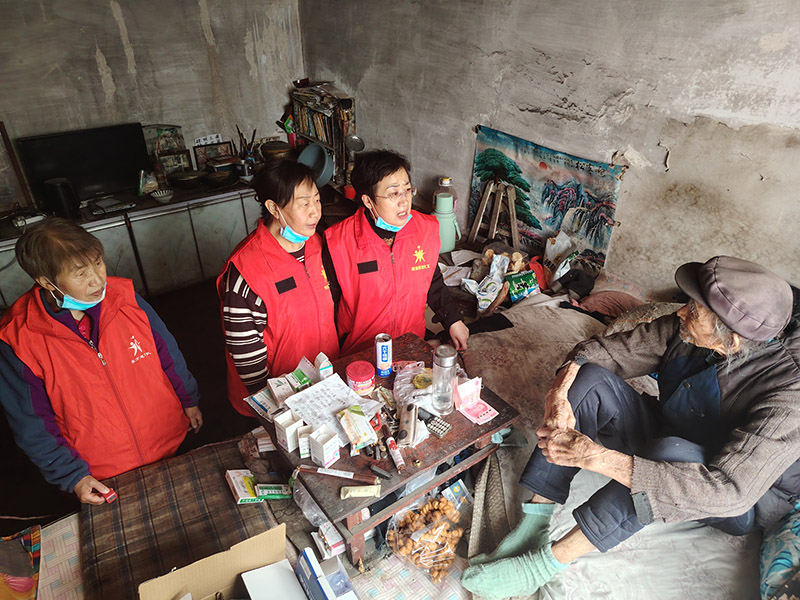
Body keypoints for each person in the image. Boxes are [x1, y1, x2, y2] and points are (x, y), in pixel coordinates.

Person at [462, 256, 800, 600]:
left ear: (733, 340)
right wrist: (559, 391)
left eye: (694, 311)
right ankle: (534, 523)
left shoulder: (790, 394)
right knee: (589, 379)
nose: (681, 313)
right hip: (677, 428)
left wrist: (597, 458)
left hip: (734, 497)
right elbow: (605, 352)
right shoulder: (690, 327)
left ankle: (544, 564)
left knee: (669, 454)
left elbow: (727, 491)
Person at [0, 218, 202, 505]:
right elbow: (31, 422)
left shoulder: (126, 299)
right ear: (46, 282)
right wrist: (72, 476)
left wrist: (189, 399)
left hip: (169, 439)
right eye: (81, 273)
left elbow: (167, 353)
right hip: (103, 474)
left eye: (98, 263)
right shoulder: (18, 339)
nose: (97, 280)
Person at [218, 159, 339, 416]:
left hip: (322, 383)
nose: (315, 212)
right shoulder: (246, 270)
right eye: (304, 204)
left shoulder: (315, 245)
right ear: (274, 208)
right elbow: (246, 354)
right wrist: (273, 407)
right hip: (277, 399)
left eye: (317, 200)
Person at [323, 149, 469, 355]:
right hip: (360, 352)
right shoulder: (338, 242)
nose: (404, 201)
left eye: (407, 190)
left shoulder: (424, 229)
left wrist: (453, 319)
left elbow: (431, 279)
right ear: (368, 201)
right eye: (393, 194)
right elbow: (328, 307)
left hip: (410, 343)